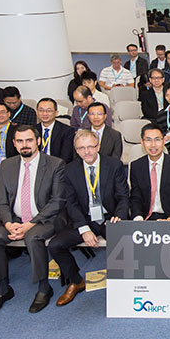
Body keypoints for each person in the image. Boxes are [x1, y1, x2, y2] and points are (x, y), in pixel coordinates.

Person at [0, 125, 65, 314]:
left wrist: (29, 225)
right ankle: (2, 288)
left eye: (29, 140)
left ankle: (43, 288)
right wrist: (8, 223)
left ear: (38, 141)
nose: (25, 145)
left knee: (34, 237)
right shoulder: (6, 165)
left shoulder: (55, 164)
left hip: (44, 220)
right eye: (20, 141)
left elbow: (57, 202)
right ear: (14, 144)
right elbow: (1, 202)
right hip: (13, 219)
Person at [47, 130, 128, 307]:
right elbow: (71, 203)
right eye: (81, 148)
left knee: (125, 241)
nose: (87, 152)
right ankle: (76, 281)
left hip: (110, 217)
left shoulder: (114, 165)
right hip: (84, 219)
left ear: (98, 146)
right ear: (76, 150)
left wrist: (119, 216)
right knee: (55, 245)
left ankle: (125, 285)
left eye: (91, 146)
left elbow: (123, 196)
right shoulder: (69, 170)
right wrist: (84, 229)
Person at [129, 123, 170, 221]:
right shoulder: (136, 166)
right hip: (147, 218)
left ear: (163, 141)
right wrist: (138, 218)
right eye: (148, 140)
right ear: (142, 142)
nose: (153, 145)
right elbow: (136, 197)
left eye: (157, 140)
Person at [35, 98, 74, 162]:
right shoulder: (32, 130)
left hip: (57, 166)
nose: (44, 114)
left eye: (49, 111)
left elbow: (66, 157)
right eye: (41, 110)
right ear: (37, 112)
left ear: (56, 113)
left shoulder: (67, 131)